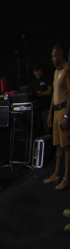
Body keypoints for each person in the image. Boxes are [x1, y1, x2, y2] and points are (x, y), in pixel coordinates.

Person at [45, 45, 70, 190]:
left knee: (66, 146)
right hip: (56, 112)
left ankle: (67, 178)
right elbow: (54, 94)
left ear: (61, 55)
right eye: (52, 56)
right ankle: (56, 174)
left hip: (64, 111)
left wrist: (67, 116)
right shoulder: (56, 72)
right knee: (58, 145)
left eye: (55, 56)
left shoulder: (67, 69)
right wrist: (50, 112)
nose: (53, 59)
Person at [32, 64, 53, 135]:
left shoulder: (46, 78)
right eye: (35, 74)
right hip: (37, 109)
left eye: (38, 73)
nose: (37, 75)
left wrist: (42, 94)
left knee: (47, 127)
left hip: (46, 107)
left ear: (41, 71)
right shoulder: (34, 81)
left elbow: (50, 91)